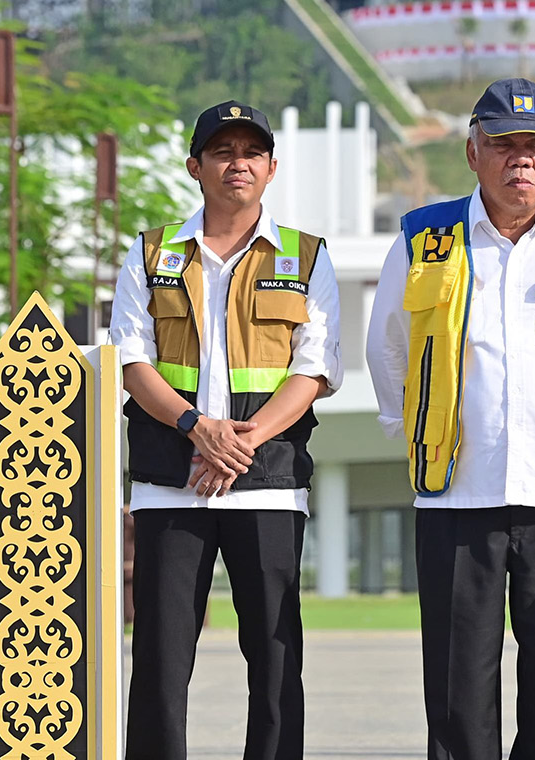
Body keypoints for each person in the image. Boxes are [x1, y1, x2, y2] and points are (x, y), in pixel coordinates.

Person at [366, 78, 535, 760]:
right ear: (473, 153)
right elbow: (386, 342)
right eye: (503, 145)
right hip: (457, 491)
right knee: (457, 686)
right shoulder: (425, 237)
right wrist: (411, 428)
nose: (520, 161)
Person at [110, 101, 342, 760]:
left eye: (250, 153)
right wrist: (196, 426)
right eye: (221, 151)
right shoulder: (150, 252)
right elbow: (131, 361)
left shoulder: (305, 256)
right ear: (196, 166)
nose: (236, 164)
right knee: (158, 656)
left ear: (270, 168)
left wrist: (237, 443)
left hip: (266, 486)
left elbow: (315, 369)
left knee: (274, 655)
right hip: (169, 483)